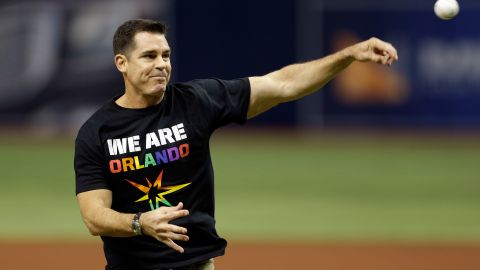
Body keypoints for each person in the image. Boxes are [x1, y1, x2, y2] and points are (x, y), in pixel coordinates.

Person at [74, 19, 398, 270]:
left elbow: (282, 84)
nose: (162, 64)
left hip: (197, 264)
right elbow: (93, 215)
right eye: (149, 56)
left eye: (166, 55)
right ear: (121, 63)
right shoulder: (98, 132)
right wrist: (138, 223)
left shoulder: (195, 102)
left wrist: (349, 55)